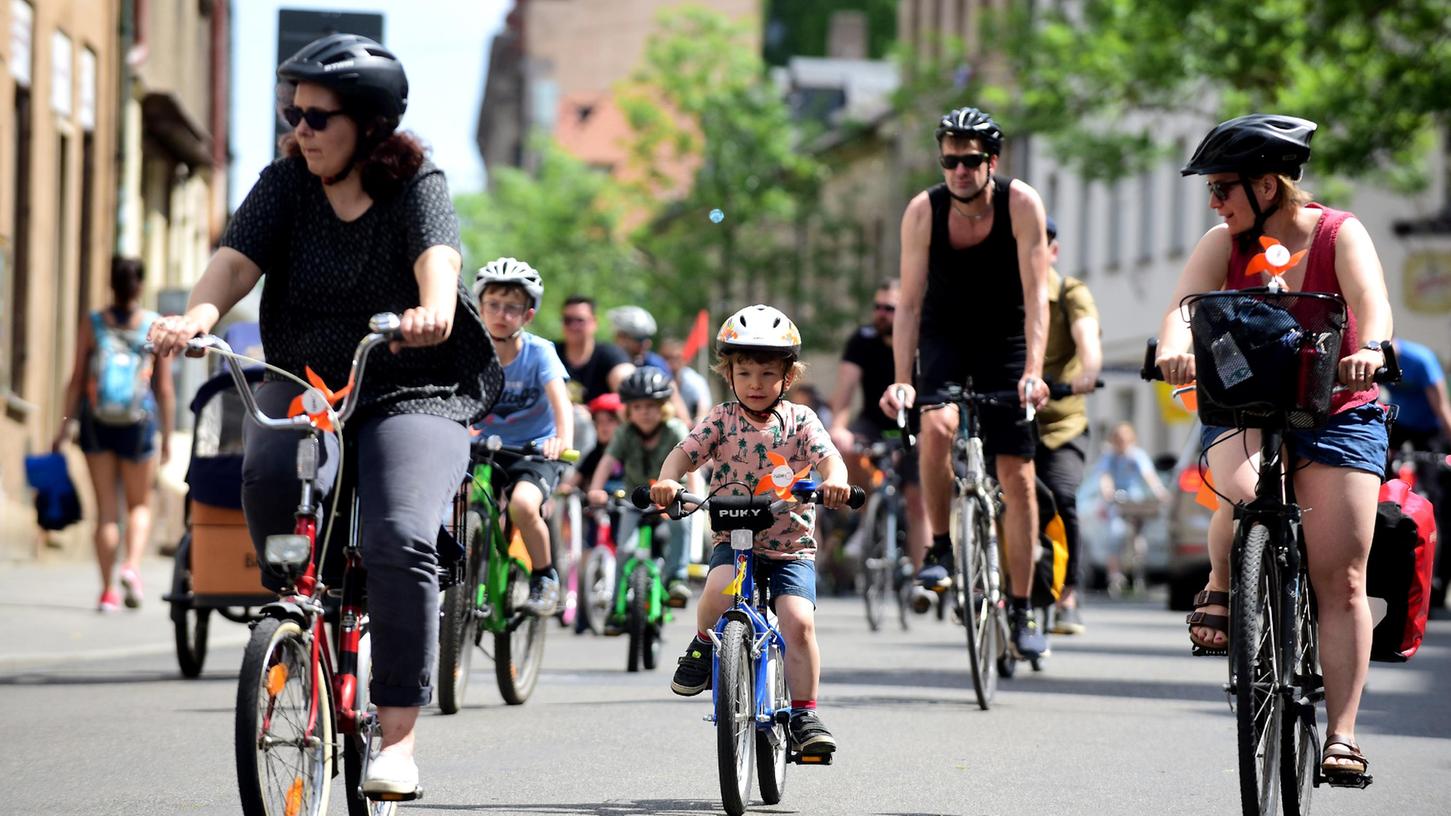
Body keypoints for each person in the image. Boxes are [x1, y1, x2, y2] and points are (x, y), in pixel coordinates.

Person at [148, 33, 499, 797]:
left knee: (399, 534)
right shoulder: (286, 182)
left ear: (369, 125)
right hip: (305, 376)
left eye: (318, 116)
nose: (299, 128)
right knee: (267, 470)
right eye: (292, 112)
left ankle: (397, 738)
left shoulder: (415, 182)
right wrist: (194, 315)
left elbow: (438, 254)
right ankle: (296, 616)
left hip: (411, 380)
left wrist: (433, 310)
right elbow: (236, 261)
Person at [1155, 113, 1393, 782]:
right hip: (1246, 407)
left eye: (1222, 187)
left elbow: (1371, 304)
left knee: (1340, 577)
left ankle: (1340, 735)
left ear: (1267, 185)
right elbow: (1181, 309)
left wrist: (1369, 351)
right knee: (1247, 485)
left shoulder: (1337, 234)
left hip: (1337, 409)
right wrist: (1174, 351)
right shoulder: (1221, 243)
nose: (1213, 201)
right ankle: (1225, 578)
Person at [878, 106, 1052, 659]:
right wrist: (902, 380)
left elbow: (1035, 300)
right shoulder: (922, 212)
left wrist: (1033, 373)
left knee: (1017, 475)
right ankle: (939, 548)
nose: (958, 171)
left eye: (970, 161)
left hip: (1006, 340)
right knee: (935, 426)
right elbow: (906, 306)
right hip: (946, 335)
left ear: (991, 162)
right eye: (950, 160)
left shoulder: (1021, 204)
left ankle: (1021, 608)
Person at [652, 304, 850, 757]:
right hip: (734, 539)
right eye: (745, 373)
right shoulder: (721, 419)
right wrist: (668, 481)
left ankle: (804, 713)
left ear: (788, 375)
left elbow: (828, 457)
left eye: (767, 373)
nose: (755, 384)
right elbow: (685, 452)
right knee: (718, 590)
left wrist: (834, 480)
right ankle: (704, 644)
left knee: (798, 622)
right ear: (729, 374)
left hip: (790, 548)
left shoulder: (800, 421)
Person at [54, 256, 174, 612]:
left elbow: (76, 379)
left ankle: (107, 592)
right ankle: (132, 568)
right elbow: (164, 388)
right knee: (139, 505)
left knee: (106, 511)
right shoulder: (154, 325)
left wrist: (62, 430)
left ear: (111, 284)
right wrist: (167, 436)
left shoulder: (94, 323)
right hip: (139, 425)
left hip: (98, 422)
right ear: (140, 286)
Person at [474, 257, 574, 618]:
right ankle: (461, 582)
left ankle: (545, 577)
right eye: (493, 305)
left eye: (512, 308)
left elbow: (561, 403)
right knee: (457, 503)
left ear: (528, 315)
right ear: (480, 307)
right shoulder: (472, 350)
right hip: (481, 446)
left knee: (522, 506)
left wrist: (560, 439)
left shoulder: (539, 352)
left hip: (533, 450)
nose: (501, 314)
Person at [827, 279, 929, 577]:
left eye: (890, 308)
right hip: (873, 422)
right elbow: (844, 390)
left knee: (916, 501)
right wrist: (839, 427)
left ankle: (924, 581)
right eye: (878, 307)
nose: (882, 313)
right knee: (845, 447)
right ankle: (865, 509)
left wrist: (927, 434)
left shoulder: (923, 340)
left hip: (915, 425)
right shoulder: (863, 339)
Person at [1032, 219, 1103, 633]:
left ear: (1053, 251)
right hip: (1009, 418)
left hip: (1061, 422)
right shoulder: (1004, 293)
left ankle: (1069, 593)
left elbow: (1087, 337)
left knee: (1061, 495)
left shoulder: (1069, 292)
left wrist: (1088, 373)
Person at [588, 366, 693, 617]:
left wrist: (692, 501)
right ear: (628, 410)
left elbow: (692, 468)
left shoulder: (675, 430)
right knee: (624, 549)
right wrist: (595, 489)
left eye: (651, 406)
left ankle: (677, 578)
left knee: (681, 527)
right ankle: (616, 606)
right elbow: (606, 462)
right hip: (636, 499)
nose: (644, 413)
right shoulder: (624, 433)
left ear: (663, 407)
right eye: (637, 407)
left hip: (671, 498)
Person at [1383, 337, 1451, 611]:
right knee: (1382, 484)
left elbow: (1441, 406)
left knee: (1437, 497)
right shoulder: (1378, 360)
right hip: (1400, 426)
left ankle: (1437, 582)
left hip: (1430, 430)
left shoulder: (1420, 360)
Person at [1090, 422, 1166, 597]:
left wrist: (1159, 492)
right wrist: (1107, 491)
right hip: (1117, 502)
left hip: (1135, 501)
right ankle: (1115, 576)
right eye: (1118, 441)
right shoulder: (1109, 457)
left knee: (1139, 539)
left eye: (1124, 440)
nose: (1121, 444)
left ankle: (1138, 573)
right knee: (1115, 533)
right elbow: (1105, 477)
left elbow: (1149, 476)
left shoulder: (1137, 456)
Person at [557, 295, 633, 405]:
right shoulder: (550, 352)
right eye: (568, 320)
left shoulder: (609, 354)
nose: (573, 326)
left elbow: (627, 383)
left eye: (579, 320)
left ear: (594, 322)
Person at [659, 336, 712, 427]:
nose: (673, 362)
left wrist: (699, 424)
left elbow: (703, 404)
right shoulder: (656, 378)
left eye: (677, 357)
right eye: (668, 358)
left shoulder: (694, 380)